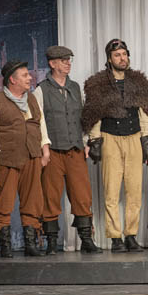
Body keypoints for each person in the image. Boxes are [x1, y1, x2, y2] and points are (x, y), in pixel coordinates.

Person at [82, 38, 148, 253]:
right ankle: (115, 238)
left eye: (124, 54)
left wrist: (147, 142)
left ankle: (131, 235)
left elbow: (144, 114)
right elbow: (94, 115)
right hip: (110, 138)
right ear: (109, 58)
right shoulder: (98, 83)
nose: (122, 58)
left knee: (134, 191)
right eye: (117, 55)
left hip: (134, 137)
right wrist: (95, 140)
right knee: (111, 191)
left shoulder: (138, 82)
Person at [33, 45, 101, 254]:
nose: (68, 63)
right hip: (52, 151)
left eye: (69, 60)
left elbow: (83, 117)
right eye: (64, 60)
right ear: (52, 64)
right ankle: (51, 242)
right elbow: (38, 122)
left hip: (75, 150)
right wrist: (44, 147)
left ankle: (86, 240)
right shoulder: (41, 90)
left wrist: (86, 141)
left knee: (82, 195)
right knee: (50, 196)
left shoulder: (75, 87)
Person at [0, 59, 51, 259]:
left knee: (33, 199)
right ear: (12, 80)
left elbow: (41, 124)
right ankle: (5, 245)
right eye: (25, 75)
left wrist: (45, 148)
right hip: (9, 157)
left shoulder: (32, 99)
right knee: (4, 201)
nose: (29, 78)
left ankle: (30, 243)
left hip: (32, 155)